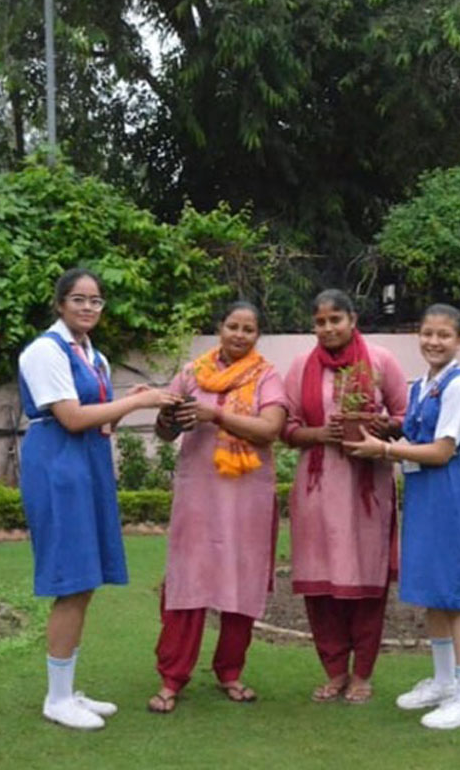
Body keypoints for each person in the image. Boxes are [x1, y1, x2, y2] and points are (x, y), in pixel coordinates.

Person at [18, 268, 181, 730]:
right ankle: (57, 698)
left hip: (88, 462)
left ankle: (68, 691)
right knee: (71, 579)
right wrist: (137, 403)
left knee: (85, 577)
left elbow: (100, 420)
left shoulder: (95, 357)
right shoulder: (43, 351)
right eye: (78, 299)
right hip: (58, 465)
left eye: (95, 301)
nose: (88, 308)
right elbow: (70, 418)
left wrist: (137, 399)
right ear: (60, 304)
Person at [343, 303, 460, 730]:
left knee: (456, 597)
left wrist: (384, 450)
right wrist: (390, 429)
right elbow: (418, 435)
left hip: (449, 489)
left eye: (444, 335)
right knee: (432, 591)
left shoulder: (459, 387)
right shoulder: (420, 385)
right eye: (427, 333)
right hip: (424, 490)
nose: (434, 341)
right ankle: (444, 683)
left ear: (459, 341)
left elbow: (442, 451)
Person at [147, 301, 288, 714]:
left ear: (257, 335)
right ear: (219, 328)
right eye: (233, 326)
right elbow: (163, 431)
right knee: (188, 579)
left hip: (247, 496)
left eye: (248, 329)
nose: (239, 335)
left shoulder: (267, 376)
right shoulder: (192, 373)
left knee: (240, 582)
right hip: (199, 493)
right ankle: (172, 677)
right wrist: (170, 417)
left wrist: (216, 414)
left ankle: (230, 671)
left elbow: (270, 430)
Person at [282, 289, 408, 704]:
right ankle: (335, 671)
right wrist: (321, 434)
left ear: (353, 319)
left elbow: (407, 417)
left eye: (335, 319)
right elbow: (288, 427)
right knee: (322, 588)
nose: (328, 328)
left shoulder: (380, 361)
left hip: (366, 490)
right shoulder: (301, 366)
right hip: (316, 489)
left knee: (366, 582)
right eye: (320, 322)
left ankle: (363, 674)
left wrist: (377, 428)